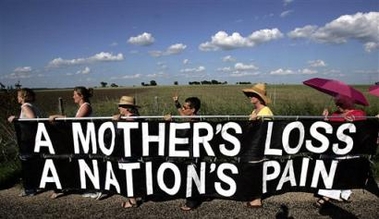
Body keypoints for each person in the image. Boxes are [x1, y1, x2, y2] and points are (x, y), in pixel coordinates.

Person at [314, 94, 366, 208]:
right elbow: (329, 129)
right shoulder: (335, 114)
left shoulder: (358, 114)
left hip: (349, 150)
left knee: (341, 167)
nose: (338, 105)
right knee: (328, 166)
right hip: (333, 147)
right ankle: (339, 193)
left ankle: (327, 196)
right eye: (337, 103)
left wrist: (354, 124)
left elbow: (363, 131)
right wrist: (326, 119)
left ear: (348, 103)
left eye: (341, 104)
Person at [49, 86, 96, 199]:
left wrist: (58, 116)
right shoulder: (82, 107)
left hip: (85, 139)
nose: (73, 96)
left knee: (85, 161)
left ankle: (91, 188)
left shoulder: (86, 106)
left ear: (82, 96)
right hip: (80, 139)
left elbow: (76, 120)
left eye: (75, 94)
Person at [166, 95, 203, 211]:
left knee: (192, 174)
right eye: (183, 107)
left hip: (193, 152)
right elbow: (181, 113)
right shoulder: (189, 116)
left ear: (192, 110)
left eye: (185, 107)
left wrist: (170, 123)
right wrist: (177, 103)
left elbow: (181, 131)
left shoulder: (195, 120)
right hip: (188, 151)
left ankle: (191, 202)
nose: (183, 109)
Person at [242, 83, 273, 208]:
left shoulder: (266, 111)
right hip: (254, 145)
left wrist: (255, 123)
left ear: (260, 97)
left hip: (261, 146)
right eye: (249, 94)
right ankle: (254, 195)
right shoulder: (255, 110)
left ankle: (257, 199)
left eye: (253, 95)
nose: (250, 97)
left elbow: (268, 130)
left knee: (257, 169)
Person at [8, 88, 41, 197]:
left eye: (18, 96)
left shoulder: (25, 106)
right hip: (35, 138)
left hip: (28, 139)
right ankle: (35, 185)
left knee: (28, 162)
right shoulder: (33, 106)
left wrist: (17, 119)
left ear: (23, 97)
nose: (17, 98)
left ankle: (30, 188)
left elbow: (32, 119)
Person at [114, 95, 142, 208]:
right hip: (134, 150)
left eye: (121, 106)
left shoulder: (129, 119)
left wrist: (115, 122)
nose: (119, 108)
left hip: (128, 151)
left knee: (128, 175)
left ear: (126, 108)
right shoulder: (135, 116)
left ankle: (132, 200)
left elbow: (120, 133)